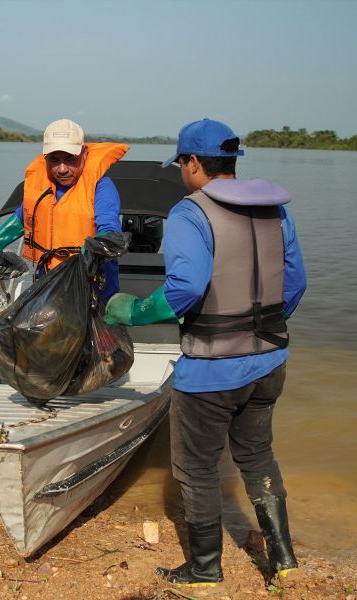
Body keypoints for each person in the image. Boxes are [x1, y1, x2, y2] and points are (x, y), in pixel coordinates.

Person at [105, 118, 307, 588]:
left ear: (193, 162)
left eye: (182, 164)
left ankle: (203, 569)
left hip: (211, 371)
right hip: (270, 360)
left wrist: (132, 310)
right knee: (257, 457)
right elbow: (295, 283)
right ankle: (284, 561)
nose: (181, 173)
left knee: (195, 468)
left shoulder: (191, 212)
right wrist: (259, 330)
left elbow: (186, 288)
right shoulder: (276, 211)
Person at [0, 118, 128, 300]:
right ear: (45, 158)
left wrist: (98, 248)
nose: (61, 169)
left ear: (83, 153)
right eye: (54, 160)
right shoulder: (43, 186)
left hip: (91, 288)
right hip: (48, 283)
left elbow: (109, 227)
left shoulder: (102, 187)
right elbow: (22, 219)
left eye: (70, 159)